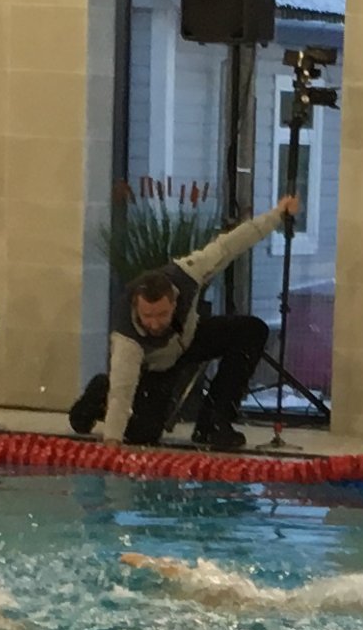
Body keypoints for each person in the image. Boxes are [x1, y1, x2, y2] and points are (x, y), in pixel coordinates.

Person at [76, 193, 296, 451]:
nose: (154, 324)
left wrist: (277, 214)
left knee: (251, 330)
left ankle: (213, 423)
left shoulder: (188, 275)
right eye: (147, 316)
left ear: (174, 301)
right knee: (143, 434)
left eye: (161, 314)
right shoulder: (127, 336)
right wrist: (112, 441)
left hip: (188, 339)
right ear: (137, 307)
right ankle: (98, 392)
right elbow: (122, 391)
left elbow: (230, 245)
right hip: (153, 365)